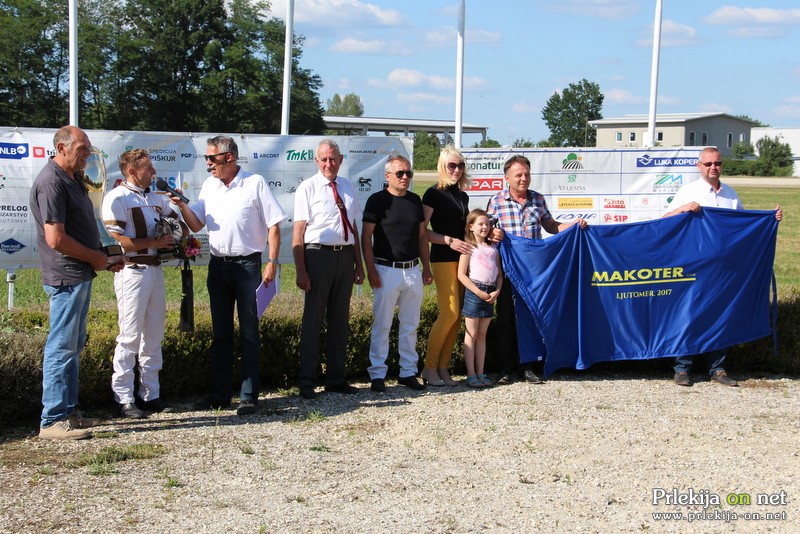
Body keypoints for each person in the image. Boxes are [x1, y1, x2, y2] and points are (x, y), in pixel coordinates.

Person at [175, 136, 286, 416]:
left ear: (230, 158)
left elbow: (274, 226)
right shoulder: (210, 186)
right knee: (220, 334)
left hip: (248, 267)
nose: (208, 163)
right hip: (218, 266)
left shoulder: (255, 183)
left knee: (249, 333)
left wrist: (272, 261)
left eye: (212, 158)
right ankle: (220, 395)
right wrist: (181, 205)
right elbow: (197, 222)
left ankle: (249, 396)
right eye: (207, 158)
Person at [29, 125, 124, 440]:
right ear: (61, 147)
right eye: (82, 148)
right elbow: (55, 238)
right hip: (66, 274)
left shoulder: (72, 179)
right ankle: (52, 420)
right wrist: (95, 258)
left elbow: (83, 228)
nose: (88, 153)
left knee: (73, 344)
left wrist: (104, 256)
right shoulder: (52, 182)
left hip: (79, 271)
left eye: (88, 148)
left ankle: (68, 412)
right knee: (61, 346)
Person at [663, 146, 783, 387]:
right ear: (699, 166)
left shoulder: (730, 194)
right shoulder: (689, 191)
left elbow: (743, 228)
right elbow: (666, 221)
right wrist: (682, 209)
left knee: (722, 316)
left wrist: (770, 219)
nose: (713, 168)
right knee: (691, 315)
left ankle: (717, 369)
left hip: (726, 270)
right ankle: (683, 368)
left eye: (717, 163)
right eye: (708, 164)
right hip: (696, 267)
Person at [486, 155, 587, 385]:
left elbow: (551, 226)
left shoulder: (538, 200)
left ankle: (528, 367)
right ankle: (505, 369)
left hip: (533, 272)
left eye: (526, 174)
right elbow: (486, 232)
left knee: (530, 318)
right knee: (506, 319)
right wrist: (492, 234)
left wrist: (572, 227)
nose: (523, 179)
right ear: (507, 178)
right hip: (507, 269)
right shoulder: (496, 201)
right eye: (518, 175)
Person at [102, 149, 181, 419]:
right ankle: (124, 397)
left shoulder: (157, 197)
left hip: (155, 270)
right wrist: (154, 243)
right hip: (131, 271)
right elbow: (119, 239)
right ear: (131, 171)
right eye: (148, 169)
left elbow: (178, 222)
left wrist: (176, 217)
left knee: (154, 335)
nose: (154, 172)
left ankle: (151, 394)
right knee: (129, 336)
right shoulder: (117, 197)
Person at [292, 139, 365, 399]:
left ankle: (336, 378)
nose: (328, 164)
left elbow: (353, 227)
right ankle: (307, 381)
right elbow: (298, 233)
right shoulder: (307, 188)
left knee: (339, 321)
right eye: (323, 159)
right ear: (316, 161)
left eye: (332, 159)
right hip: (317, 256)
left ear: (341, 160)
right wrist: (301, 270)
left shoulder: (347, 186)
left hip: (344, 258)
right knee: (312, 321)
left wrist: (359, 264)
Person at [362, 155, 433, 392]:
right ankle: (377, 374)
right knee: (382, 325)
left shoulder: (415, 201)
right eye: (400, 173)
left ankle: (408, 372)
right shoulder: (376, 201)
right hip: (385, 270)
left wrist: (427, 267)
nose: (405, 178)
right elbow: (365, 237)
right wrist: (370, 269)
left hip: (412, 270)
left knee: (410, 325)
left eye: (408, 173)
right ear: (388, 176)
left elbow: (423, 237)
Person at [421, 146, 474, 387]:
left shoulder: (463, 196)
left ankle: (443, 367)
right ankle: (429, 367)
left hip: (462, 260)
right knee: (449, 313)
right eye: (451, 165)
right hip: (442, 258)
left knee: (456, 316)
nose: (456, 170)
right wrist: (448, 241)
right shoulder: (433, 194)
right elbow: (422, 231)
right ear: (442, 167)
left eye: (460, 165)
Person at [458, 209, 503, 388]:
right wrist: (477, 292)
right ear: (471, 227)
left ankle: (481, 372)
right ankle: (470, 374)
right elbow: (461, 275)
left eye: (487, 224)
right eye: (480, 224)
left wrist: (496, 292)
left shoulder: (493, 248)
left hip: (490, 294)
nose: (485, 227)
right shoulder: (468, 248)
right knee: (472, 334)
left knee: (482, 335)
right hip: (474, 293)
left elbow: (499, 274)